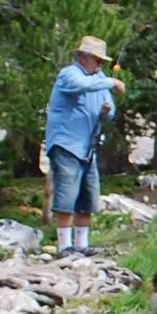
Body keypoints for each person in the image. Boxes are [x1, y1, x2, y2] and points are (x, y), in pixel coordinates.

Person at [44, 36, 117, 256]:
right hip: (66, 144)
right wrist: (113, 82)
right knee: (66, 195)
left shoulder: (100, 78)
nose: (100, 65)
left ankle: (82, 245)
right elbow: (81, 86)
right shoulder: (69, 74)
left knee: (88, 197)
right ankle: (64, 246)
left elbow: (111, 109)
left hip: (88, 149)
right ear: (84, 58)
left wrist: (107, 111)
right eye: (98, 60)